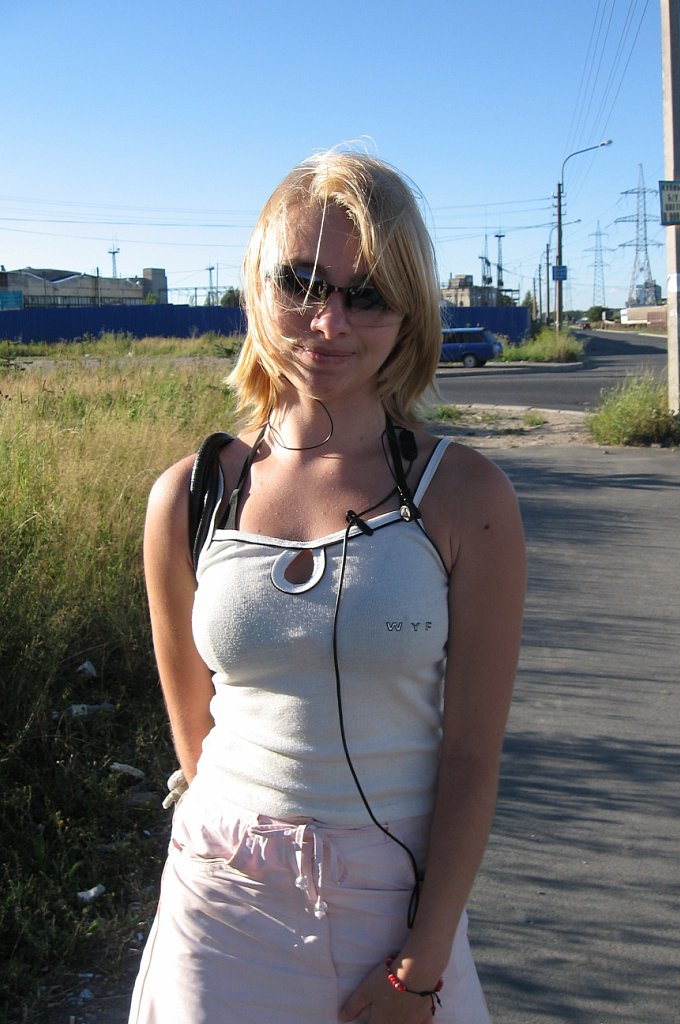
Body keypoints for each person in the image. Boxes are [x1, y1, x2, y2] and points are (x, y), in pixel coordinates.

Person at [129, 149, 526, 1024]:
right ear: (256, 286)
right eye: (300, 282)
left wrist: (421, 968)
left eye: (368, 293)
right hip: (218, 906)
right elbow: (195, 737)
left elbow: (471, 758)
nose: (329, 320)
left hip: (394, 906)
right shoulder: (189, 497)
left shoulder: (467, 498)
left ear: (410, 310)